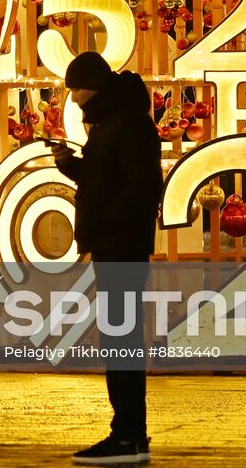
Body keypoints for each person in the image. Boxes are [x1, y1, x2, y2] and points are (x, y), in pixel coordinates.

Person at [50, 51, 163, 465]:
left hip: (123, 248)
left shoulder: (129, 124)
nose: (74, 97)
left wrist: (106, 220)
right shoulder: (110, 122)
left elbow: (143, 187)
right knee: (119, 339)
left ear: (93, 85)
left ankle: (128, 436)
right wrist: (72, 166)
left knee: (122, 341)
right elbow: (105, 181)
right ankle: (129, 434)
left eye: (76, 88)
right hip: (115, 245)